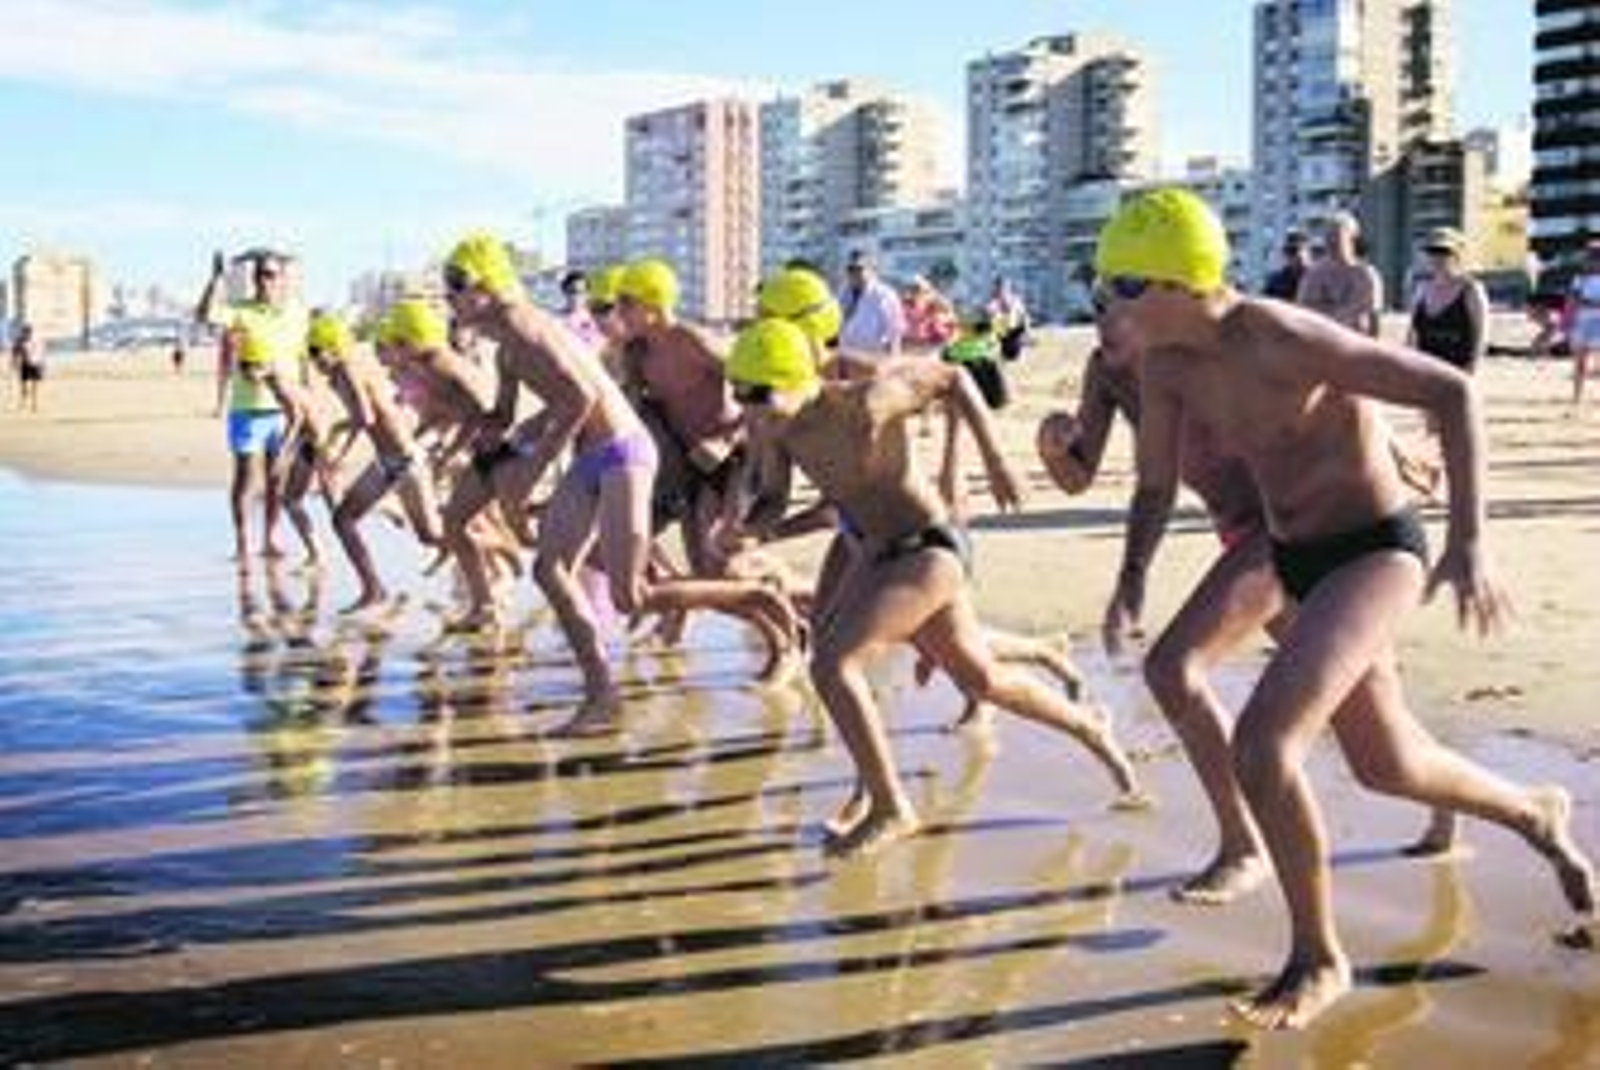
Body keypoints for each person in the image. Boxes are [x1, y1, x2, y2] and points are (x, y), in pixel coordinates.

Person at [1094, 188, 1594, 1029]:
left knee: (1265, 742)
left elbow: (1450, 394)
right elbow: (1150, 483)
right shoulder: (1170, 369)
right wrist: (1132, 575)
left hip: (1376, 550)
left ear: (1179, 284)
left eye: (1124, 286)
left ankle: (1318, 955)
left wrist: (1471, 539)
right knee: (1386, 763)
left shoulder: (1282, 337)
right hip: (1293, 557)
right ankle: (1532, 811)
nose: (1109, 303)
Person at [1040, 299, 1459, 907]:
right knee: (1364, 713)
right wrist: (1056, 447)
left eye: (1122, 314)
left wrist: (1394, 446)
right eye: (1100, 313)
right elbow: (1083, 477)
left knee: (1175, 669)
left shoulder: (1208, 348)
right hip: (1238, 532)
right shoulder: (1107, 373)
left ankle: (1243, 846)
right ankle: (1458, 797)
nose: (1106, 329)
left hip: (1287, 525)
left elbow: (1321, 383)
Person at [726, 317, 1145, 859]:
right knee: (982, 678)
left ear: (796, 380)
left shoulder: (868, 401)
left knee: (832, 661)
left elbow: (954, 378)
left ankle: (889, 806)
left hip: (930, 547)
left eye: (756, 394)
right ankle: (1089, 726)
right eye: (737, 394)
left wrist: (993, 461)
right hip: (878, 555)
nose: (746, 408)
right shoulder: (774, 429)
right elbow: (777, 499)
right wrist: (753, 529)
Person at [441, 233, 798, 736]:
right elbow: (511, 412)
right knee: (549, 569)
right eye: (447, 285)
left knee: (630, 594)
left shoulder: (526, 328)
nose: (449, 296)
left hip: (623, 455)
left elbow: (581, 397)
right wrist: (487, 434)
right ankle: (601, 695)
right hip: (591, 459)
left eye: (457, 284)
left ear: (489, 286)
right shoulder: (505, 349)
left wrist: (533, 470)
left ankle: (756, 599)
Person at [315, 298, 446, 611]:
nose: (313, 360)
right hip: (388, 462)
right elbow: (375, 410)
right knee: (343, 518)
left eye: (315, 352)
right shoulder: (343, 371)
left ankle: (497, 550)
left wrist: (338, 451)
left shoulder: (347, 369)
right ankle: (373, 589)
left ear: (331, 347)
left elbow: (365, 417)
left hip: (405, 461)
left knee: (431, 536)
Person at [195, 250, 310, 565]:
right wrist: (215, 280)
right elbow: (203, 316)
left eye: (271, 275)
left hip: (285, 409)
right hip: (248, 407)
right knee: (246, 479)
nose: (265, 282)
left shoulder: (297, 313)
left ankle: (271, 537)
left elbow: (303, 360)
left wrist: (307, 399)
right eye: (260, 275)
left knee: (278, 479)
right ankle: (243, 541)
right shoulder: (240, 311)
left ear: (283, 280)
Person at [1296, 211, 1384, 337]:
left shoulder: (1366, 275)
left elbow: (1373, 321)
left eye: (1337, 236)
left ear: (1352, 239)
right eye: (1328, 236)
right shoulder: (1313, 275)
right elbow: (1303, 313)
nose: (1331, 242)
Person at [836, 250, 905, 376]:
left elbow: (895, 330)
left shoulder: (885, 294)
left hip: (873, 359)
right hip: (847, 358)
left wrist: (893, 363)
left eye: (859, 268)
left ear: (871, 270)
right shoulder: (842, 293)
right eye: (850, 269)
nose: (854, 273)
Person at [1565, 239, 1600, 406]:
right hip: (1582, 321)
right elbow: (1572, 300)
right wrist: (1567, 321)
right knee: (1581, 362)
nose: (1588, 261)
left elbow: (1577, 299)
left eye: (1591, 258)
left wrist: (1585, 302)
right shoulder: (1579, 278)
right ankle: (1577, 397)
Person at [900, 275, 958, 351]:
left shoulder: (940, 305)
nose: (915, 293)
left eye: (919, 290)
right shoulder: (905, 304)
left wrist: (949, 341)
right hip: (910, 342)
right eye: (914, 289)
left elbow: (954, 326)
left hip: (933, 344)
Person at [557, 269, 605, 352]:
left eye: (581, 292)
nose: (576, 296)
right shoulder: (557, 319)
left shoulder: (597, 318)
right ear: (565, 291)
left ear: (588, 294)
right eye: (572, 291)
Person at [986, 275, 1031, 361]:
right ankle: (996, 344)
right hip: (1003, 335)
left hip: (1014, 333)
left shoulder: (1016, 300)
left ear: (1009, 289)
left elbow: (1024, 317)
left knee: (1022, 317)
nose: (1002, 291)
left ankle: (1023, 341)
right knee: (995, 319)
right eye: (1000, 288)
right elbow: (991, 318)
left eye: (1005, 288)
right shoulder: (993, 303)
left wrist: (1026, 332)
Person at [1262, 230, 1310, 302]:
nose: (1297, 256)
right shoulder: (1275, 281)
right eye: (1292, 251)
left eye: (1301, 250)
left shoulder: (1317, 279)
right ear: (1285, 253)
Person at [11, 323, 44, 413]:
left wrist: (41, 363)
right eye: (25, 332)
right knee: (24, 386)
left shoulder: (36, 340)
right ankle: (23, 403)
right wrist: (14, 363)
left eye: (28, 332)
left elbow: (41, 351)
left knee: (34, 386)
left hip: (35, 364)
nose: (26, 334)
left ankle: (34, 404)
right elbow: (15, 353)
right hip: (25, 365)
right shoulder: (19, 341)